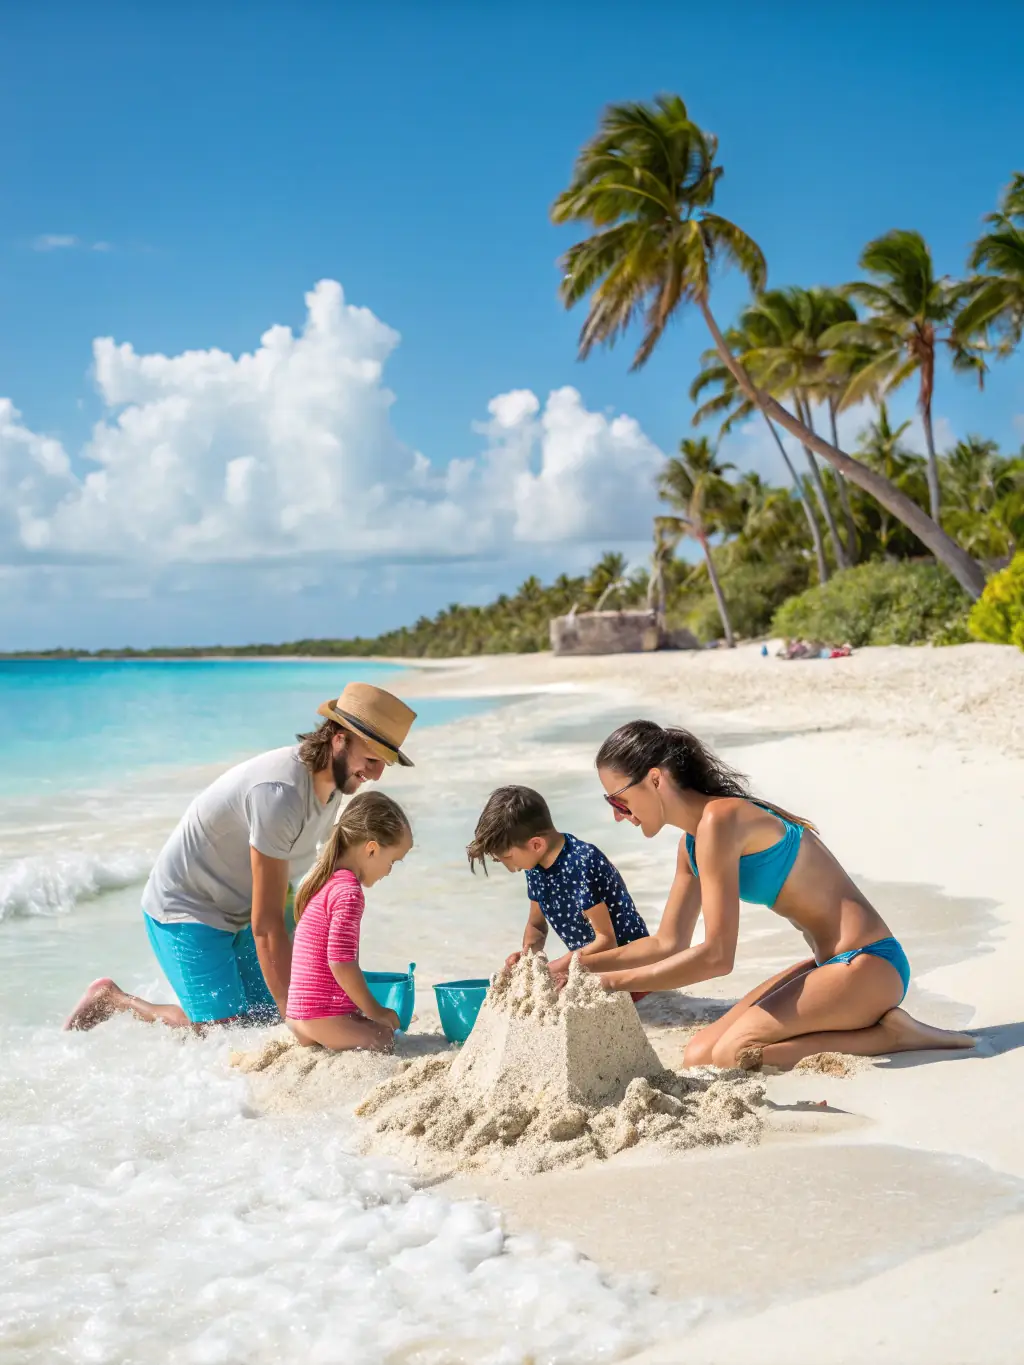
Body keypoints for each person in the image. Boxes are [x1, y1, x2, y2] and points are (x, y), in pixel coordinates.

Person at [586, 719, 974, 1070]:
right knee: (698, 1054)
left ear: (655, 779)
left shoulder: (722, 820)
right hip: (828, 967)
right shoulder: (692, 845)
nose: (618, 814)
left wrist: (615, 984)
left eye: (618, 799)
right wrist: (577, 971)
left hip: (869, 964)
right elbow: (666, 943)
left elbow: (718, 957)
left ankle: (891, 1035)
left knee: (732, 1054)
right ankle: (867, 1021)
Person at [64, 683, 416, 1032]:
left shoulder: (332, 787)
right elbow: (265, 925)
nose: (376, 774)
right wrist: (299, 1018)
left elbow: (296, 889)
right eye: (371, 760)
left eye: (383, 763)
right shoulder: (280, 794)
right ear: (339, 738)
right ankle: (113, 1000)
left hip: (243, 907)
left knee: (265, 1019)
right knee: (222, 1031)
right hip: (189, 906)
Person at [466, 784, 649, 983]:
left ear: (536, 844)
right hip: (588, 969)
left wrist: (557, 968)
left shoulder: (582, 863)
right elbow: (536, 927)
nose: (507, 866)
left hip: (631, 970)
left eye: (507, 857)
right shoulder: (535, 867)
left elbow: (606, 941)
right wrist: (527, 961)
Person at [286, 790, 412, 1053]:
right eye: (392, 862)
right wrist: (375, 1010)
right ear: (372, 849)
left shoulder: (326, 883)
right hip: (320, 1018)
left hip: (298, 1017)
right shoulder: (348, 892)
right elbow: (341, 963)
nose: (389, 871)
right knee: (384, 1037)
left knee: (370, 1024)